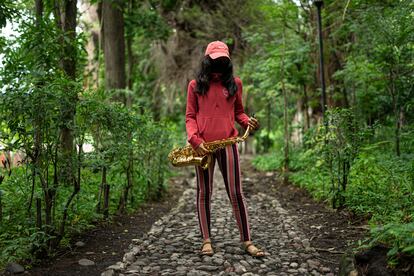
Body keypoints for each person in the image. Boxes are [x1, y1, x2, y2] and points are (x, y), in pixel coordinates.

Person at [185, 40, 265, 257]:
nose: (219, 62)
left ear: (227, 61)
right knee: (204, 193)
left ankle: (247, 241)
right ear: (207, 60)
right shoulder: (195, 85)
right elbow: (190, 117)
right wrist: (194, 140)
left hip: (228, 144)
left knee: (237, 193)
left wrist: (247, 121)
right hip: (202, 147)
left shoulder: (235, 84)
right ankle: (206, 240)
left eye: (223, 59)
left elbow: (238, 111)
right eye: (215, 59)